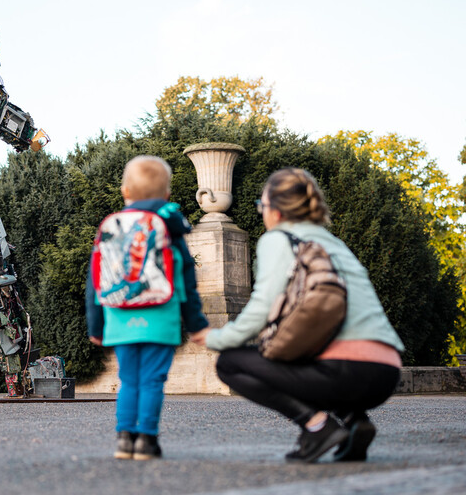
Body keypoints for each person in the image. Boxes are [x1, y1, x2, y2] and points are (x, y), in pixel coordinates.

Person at [192, 167, 404, 463]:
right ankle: (355, 422)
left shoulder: (280, 238)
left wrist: (217, 337)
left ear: (275, 211)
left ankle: (318, 426)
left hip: (344, 372)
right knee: (300, 352)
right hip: (386, 373)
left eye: (261, 206)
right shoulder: (333, 243)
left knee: (230, 363)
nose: (262, 213)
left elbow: (262, 306)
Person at [86, 155, 209, 460]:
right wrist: (196, 323)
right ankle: (147, 441)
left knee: (129, 380)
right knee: (152, 381)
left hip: (119, 317)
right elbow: (186, 277)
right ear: (166, 195)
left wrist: (96, 326)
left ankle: (125, 438)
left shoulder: (112, 226)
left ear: (125, 191)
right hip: (160, 318)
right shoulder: (170, 223)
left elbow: (95, 280)